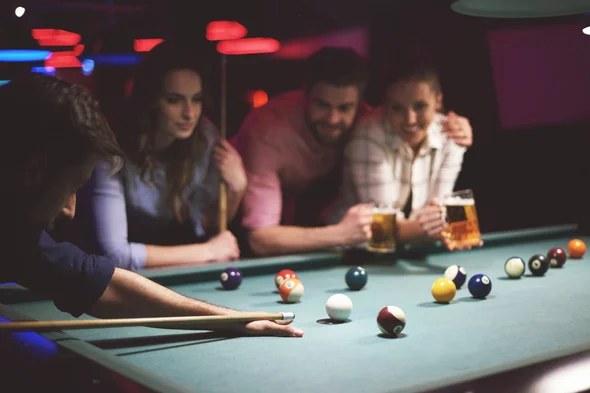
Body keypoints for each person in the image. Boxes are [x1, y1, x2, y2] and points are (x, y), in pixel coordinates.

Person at [0, 72, 302, 338]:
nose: (70, 210)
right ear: (34, 171)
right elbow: (112, 260)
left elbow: (106, 285)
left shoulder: (22, 239)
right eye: (72, 187)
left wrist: (233, 320)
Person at [85, 41, 246, 271]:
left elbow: (206, 226)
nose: (190, 113)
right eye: (174, 100)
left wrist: (237, 189)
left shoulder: (204, 137)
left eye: (197, 99)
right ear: (150, 101)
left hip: (166, 268)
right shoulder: (110, 150)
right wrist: (208, 251)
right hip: (98, 274)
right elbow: (114, 255)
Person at [232, 47, 376, 257]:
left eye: (344, 108)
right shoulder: (267, 131)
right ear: (305, 95)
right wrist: (341, 233)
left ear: (359, 104)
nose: (332, 119)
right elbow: (260, 239)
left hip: (307, 212)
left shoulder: (366, 119)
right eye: (322, 105)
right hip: (235, 214)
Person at [329, 56, 477, 250]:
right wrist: (453, 226)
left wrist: (456, 228)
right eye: (397, 108)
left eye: (420, 106)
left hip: (412, 244)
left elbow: (440, 205)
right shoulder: (367, 135)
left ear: (438, 101)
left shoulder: (452, 134)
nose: (410, 120)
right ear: (385, 106)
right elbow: (382, 227)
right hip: (353, 248)